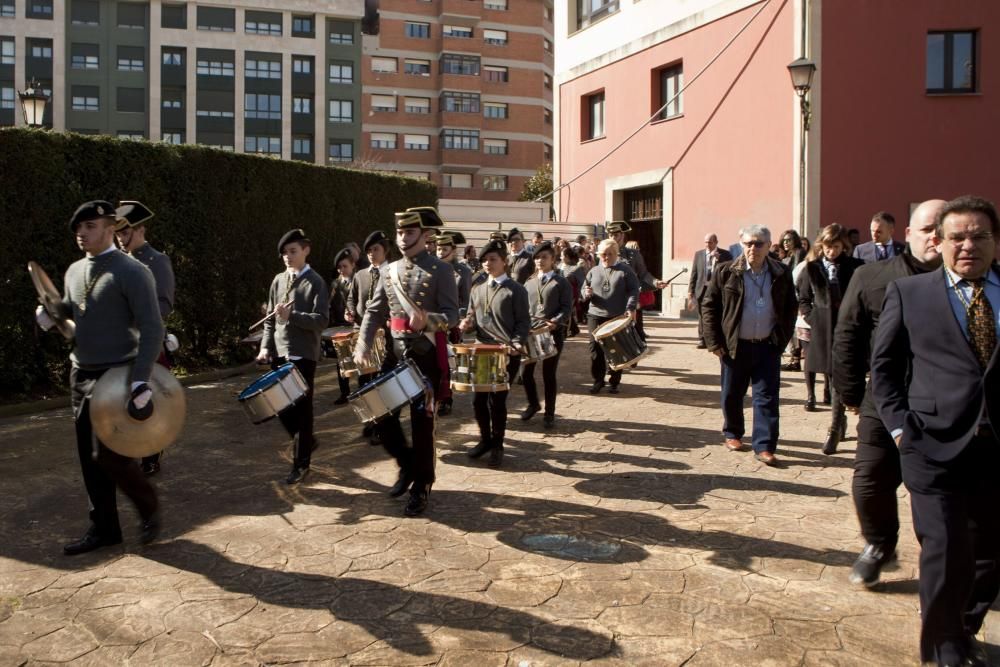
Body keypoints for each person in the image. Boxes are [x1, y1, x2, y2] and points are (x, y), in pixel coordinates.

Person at [871, 195, 1000, 667]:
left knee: (988, 556)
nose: (968, 245)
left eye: (979, 236)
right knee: (945, 548)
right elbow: (883, 369)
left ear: (996, 242)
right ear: (939, 243)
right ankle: (944, 651)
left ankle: (962, 628)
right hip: (931, 443)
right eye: (957, 237)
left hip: (994, 449)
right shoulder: (911, 294)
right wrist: (901, 428)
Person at [34, 201, 163, 555]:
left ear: (110, 227)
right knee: (88, 458)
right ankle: (104, 529)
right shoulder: (74, 271)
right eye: (78, 228)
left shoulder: (133, 271)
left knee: (110, 456)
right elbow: (75, 312)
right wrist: (53, 313)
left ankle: (148, 505)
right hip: (81, 373)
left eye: (89, 226)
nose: (81, 233)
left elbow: (153, 327)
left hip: (117, 374)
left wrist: (140, 380)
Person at [832, 199, 946, 588]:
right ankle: (879, 544)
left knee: (938, 494)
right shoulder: (872, 277)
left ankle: (947, 565)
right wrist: (849, 392)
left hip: (947, 404)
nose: (936, 236)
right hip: (885, 398)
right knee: (869, 482)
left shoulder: (968, 283)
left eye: (943, 229)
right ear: (909, 234)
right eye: (928, 228)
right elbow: (847, 334)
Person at [353, 206, 459, 516]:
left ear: (426, 236)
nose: (402, 238)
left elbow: (453, 317)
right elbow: (374, 311)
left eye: (409, 232)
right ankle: (407, 464)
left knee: (422, 426)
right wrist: (362, 343)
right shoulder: (389, 271)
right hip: (394, 355)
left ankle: (422, 485)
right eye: (399, 232)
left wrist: (428, 322)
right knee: (378, 415)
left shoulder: (441, 271)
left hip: (425, 357)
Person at [701, 224, 798, 466]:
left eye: (758, 244)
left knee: (766, 397)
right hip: (735, 345)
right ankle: (733, 433)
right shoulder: (726, 272)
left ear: (768, 246)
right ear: (741, 245)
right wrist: (714, 341)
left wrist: (782, 340)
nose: (752, 248)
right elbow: (709, 306)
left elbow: (790, 308)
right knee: (732, 394)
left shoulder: (781, 273)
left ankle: (764, 445)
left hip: (767, 346)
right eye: (748, 243)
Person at [257, 229, 330, 485]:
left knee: (301, 409)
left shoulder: (316, 282)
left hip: (304, 355)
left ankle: (301, 464)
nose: (288, 257)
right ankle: (307, 441)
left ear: (305, 250)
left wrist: (293, 317)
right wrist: (265, 347)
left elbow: (321, 320)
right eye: (284, 253)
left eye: (293, 251)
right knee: (279, 406)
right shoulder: (278, 280)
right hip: (279, 352)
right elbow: (269, 321)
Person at [113, 200, 176, 477]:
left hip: (147, 343)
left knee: (148, 403)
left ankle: (151, 454)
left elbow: (165, 304)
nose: (120, 239)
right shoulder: (116, 262)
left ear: (139, 230)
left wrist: (136, 314)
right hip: (120, 345)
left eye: (124, 233)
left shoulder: (157, 260)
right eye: (117, 234)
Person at [460, 239, 530, 466]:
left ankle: (498, 445)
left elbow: (523, 322)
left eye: (493, 259)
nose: (487, 264)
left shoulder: (516, 290)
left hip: (505, 352)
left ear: (504, 262)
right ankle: (485, 440)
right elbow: (472, 317)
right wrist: (467, 324)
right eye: (484, 260)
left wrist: (517, 343)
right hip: (481, 350)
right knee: (478, 401)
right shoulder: (477, 289)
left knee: (497, 402)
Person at [795, 224, 863, 453]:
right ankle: (838, 422)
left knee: (841, 376)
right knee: (831, 375)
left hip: (848, 329)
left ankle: (836, 425)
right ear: (821, 246)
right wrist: (815, 319)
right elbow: (803, 299)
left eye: (836, 247)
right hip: (823, 330)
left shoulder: (855, 267)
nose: (832, 252)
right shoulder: (812, 269)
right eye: (827, 247)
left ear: (844, 246)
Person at [347, 230, 394, 441]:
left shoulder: (393, 273)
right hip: (363, 336)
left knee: (381, 382)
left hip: (386, 336)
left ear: (385, 250)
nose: (372, 254)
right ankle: (368, 421)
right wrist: (349, 311)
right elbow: (352, 298)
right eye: (368, 251)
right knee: (364, 381)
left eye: (376, 249)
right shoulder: (360, 275)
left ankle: (381, 426)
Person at [521, 241, 573, 427]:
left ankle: (549, 413)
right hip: (531, 332)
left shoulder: (561, 282)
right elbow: (524, 308)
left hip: (551, 333)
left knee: (548, 374)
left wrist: (556, 321)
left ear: (553, 259)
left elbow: (567, 308)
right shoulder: (529, 282)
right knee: (525, 373)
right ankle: (534, 404)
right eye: (537, 257)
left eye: (544, 257)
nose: (540, 261)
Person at [582, 239, 640, 394]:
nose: (606, 257)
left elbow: (634, 290)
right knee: (595, 348)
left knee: (615, 349)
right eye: (603, 254)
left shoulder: (625, 271)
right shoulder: (593, 271)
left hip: (616, 316)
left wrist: (630, 307)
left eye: (610, 254)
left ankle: (614, 381)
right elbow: (584, 289)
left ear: (616, 254)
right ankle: (598, 380)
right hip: (595, 314)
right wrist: (586, 293)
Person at [606, 221, 669, 342]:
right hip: (610, 300)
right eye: (610, 235)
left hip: (628, 299)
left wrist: (656, 282)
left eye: (616, 235)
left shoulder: (633, 254)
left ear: (622, 236)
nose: (613, 238)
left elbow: (644, 273)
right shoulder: (604, 255)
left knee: (633, 335)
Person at [435, 230, 473, 416]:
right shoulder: (432, 268)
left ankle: (446, 398)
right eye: (438, 248)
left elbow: (466, 301)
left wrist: (456, 318)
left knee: (447, 363)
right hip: (432, 323)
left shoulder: (463, 271)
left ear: (453, 250)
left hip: (451, 324)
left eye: (444, 249)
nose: (440, 252)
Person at [688, 233, 733, 349]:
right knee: (702, 316)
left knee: (718, 313)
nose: (707, 244)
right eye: (706, 242)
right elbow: (694, 273)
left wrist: (719, 260)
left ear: (716, 242)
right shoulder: (699, 254)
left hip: (717, 290)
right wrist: (690, 292)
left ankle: (716, 339)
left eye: (710, 242)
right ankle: (702, 339)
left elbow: (729, 270)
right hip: (702, 289)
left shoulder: (725, 254)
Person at [328, 247, 355, 405]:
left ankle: (363, 389)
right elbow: (329, 303)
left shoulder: (360, 280)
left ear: (352, 265)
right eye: (339, 267)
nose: (342, 270)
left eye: (345, 266)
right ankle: (344, 392)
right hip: (341, 326)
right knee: (341, 361)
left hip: (356, 325)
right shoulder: (336, 284)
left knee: (362, 361)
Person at [560, 245, 588, 336]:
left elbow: (582, 282)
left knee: (566, 311)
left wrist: (581, 295)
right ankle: (574, 329)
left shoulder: (576, 268)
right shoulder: (559, 266)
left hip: (571, 294)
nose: (560, 257)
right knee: (567, 312)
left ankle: (564, 332)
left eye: (562, 256)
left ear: (567, 257)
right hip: (559, 293)